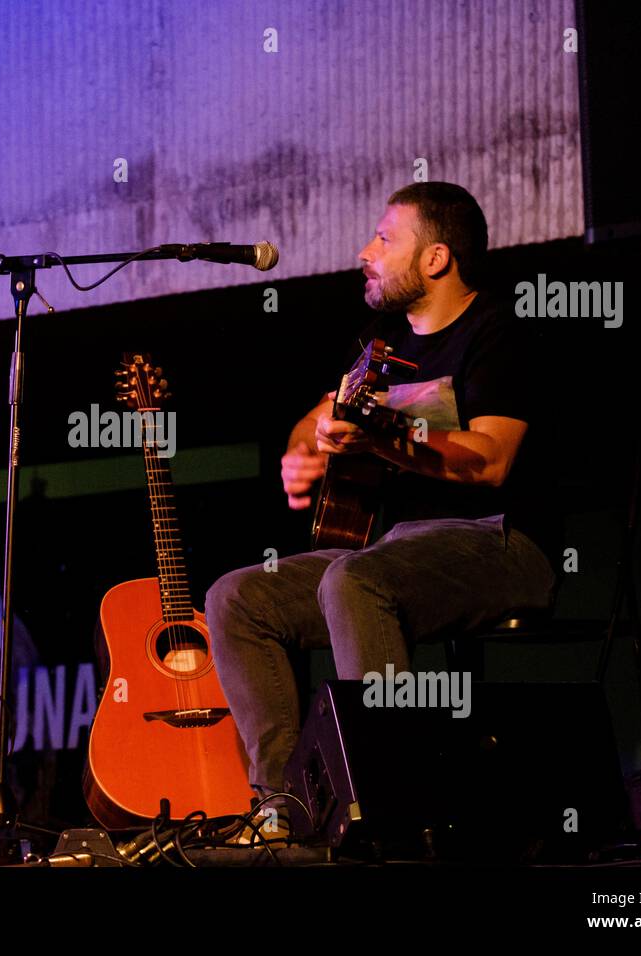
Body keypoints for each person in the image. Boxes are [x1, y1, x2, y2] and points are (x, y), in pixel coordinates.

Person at [205, 182, 561, 842]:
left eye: (384, 239)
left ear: (435, 259)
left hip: (497, 543)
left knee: (355, 580)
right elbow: (316, 420)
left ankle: (387, 802)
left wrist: (385, 438)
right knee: (237, 598)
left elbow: (490, 461)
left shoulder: (498, 333)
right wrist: (303, 453)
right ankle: (284, 809)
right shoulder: (380, 343)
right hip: (384, 549)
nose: (365, 251)